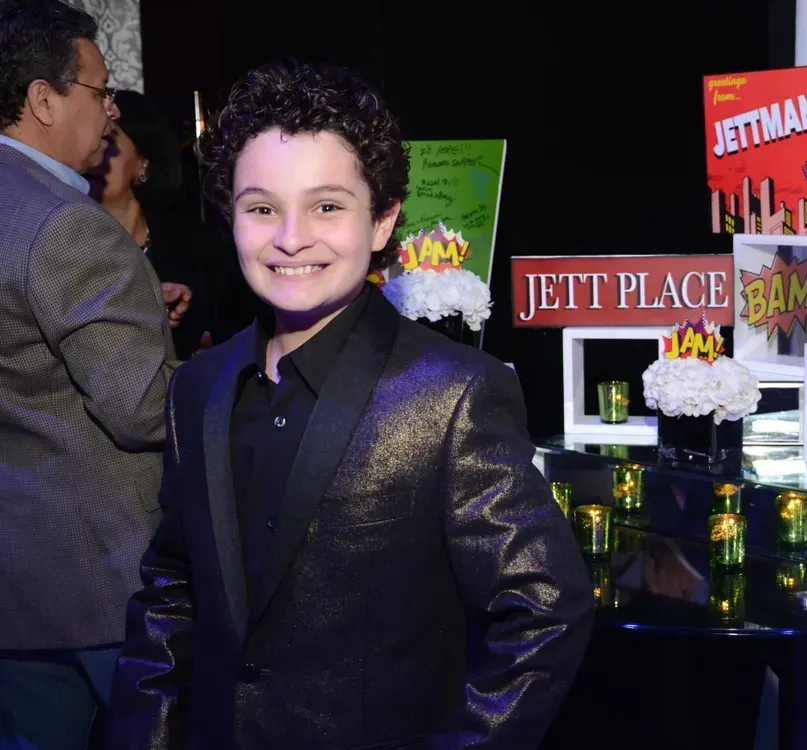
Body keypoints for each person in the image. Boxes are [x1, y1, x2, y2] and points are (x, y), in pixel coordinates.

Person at [108, 59, 593, 749]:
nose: (291, 236)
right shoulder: (198, 385)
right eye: (261, 208)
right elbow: (172, 590)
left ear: (382, 221)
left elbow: (544, 612)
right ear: (230, 218)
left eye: (327, 206)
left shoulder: (451, 394)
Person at [0, 1, 176, 748]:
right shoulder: (64, 222)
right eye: (100, 92)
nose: (111, 112)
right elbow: (140, 407)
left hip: (19, 581)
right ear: (43, 98)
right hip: (101, 578)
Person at [86, 90, 235, 359]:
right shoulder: (69, 241)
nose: (96, 152)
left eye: (108, 139)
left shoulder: (195, 245)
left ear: (144, 162)